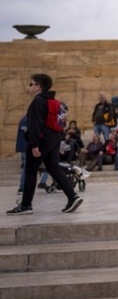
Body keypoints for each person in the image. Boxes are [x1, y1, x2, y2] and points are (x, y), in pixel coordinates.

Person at [8, 73, 83, 215]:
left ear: (38, 87)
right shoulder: (54, 102)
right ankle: (73, 196)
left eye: (31, 84)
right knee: (54, 169)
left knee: (30, 170)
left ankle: (25, 205)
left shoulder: (38, 101)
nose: (28, 87)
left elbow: (35, 125)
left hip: (42, 141)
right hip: (54, 139)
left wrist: (34, 145)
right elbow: (60, 124)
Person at [15, 115, 28, 195]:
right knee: (27, 167)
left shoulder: (24, 119)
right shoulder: (26, 120)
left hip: (23, 148)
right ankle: (22, 187)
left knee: (26, 166)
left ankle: (23, 186)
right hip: (25, 148)